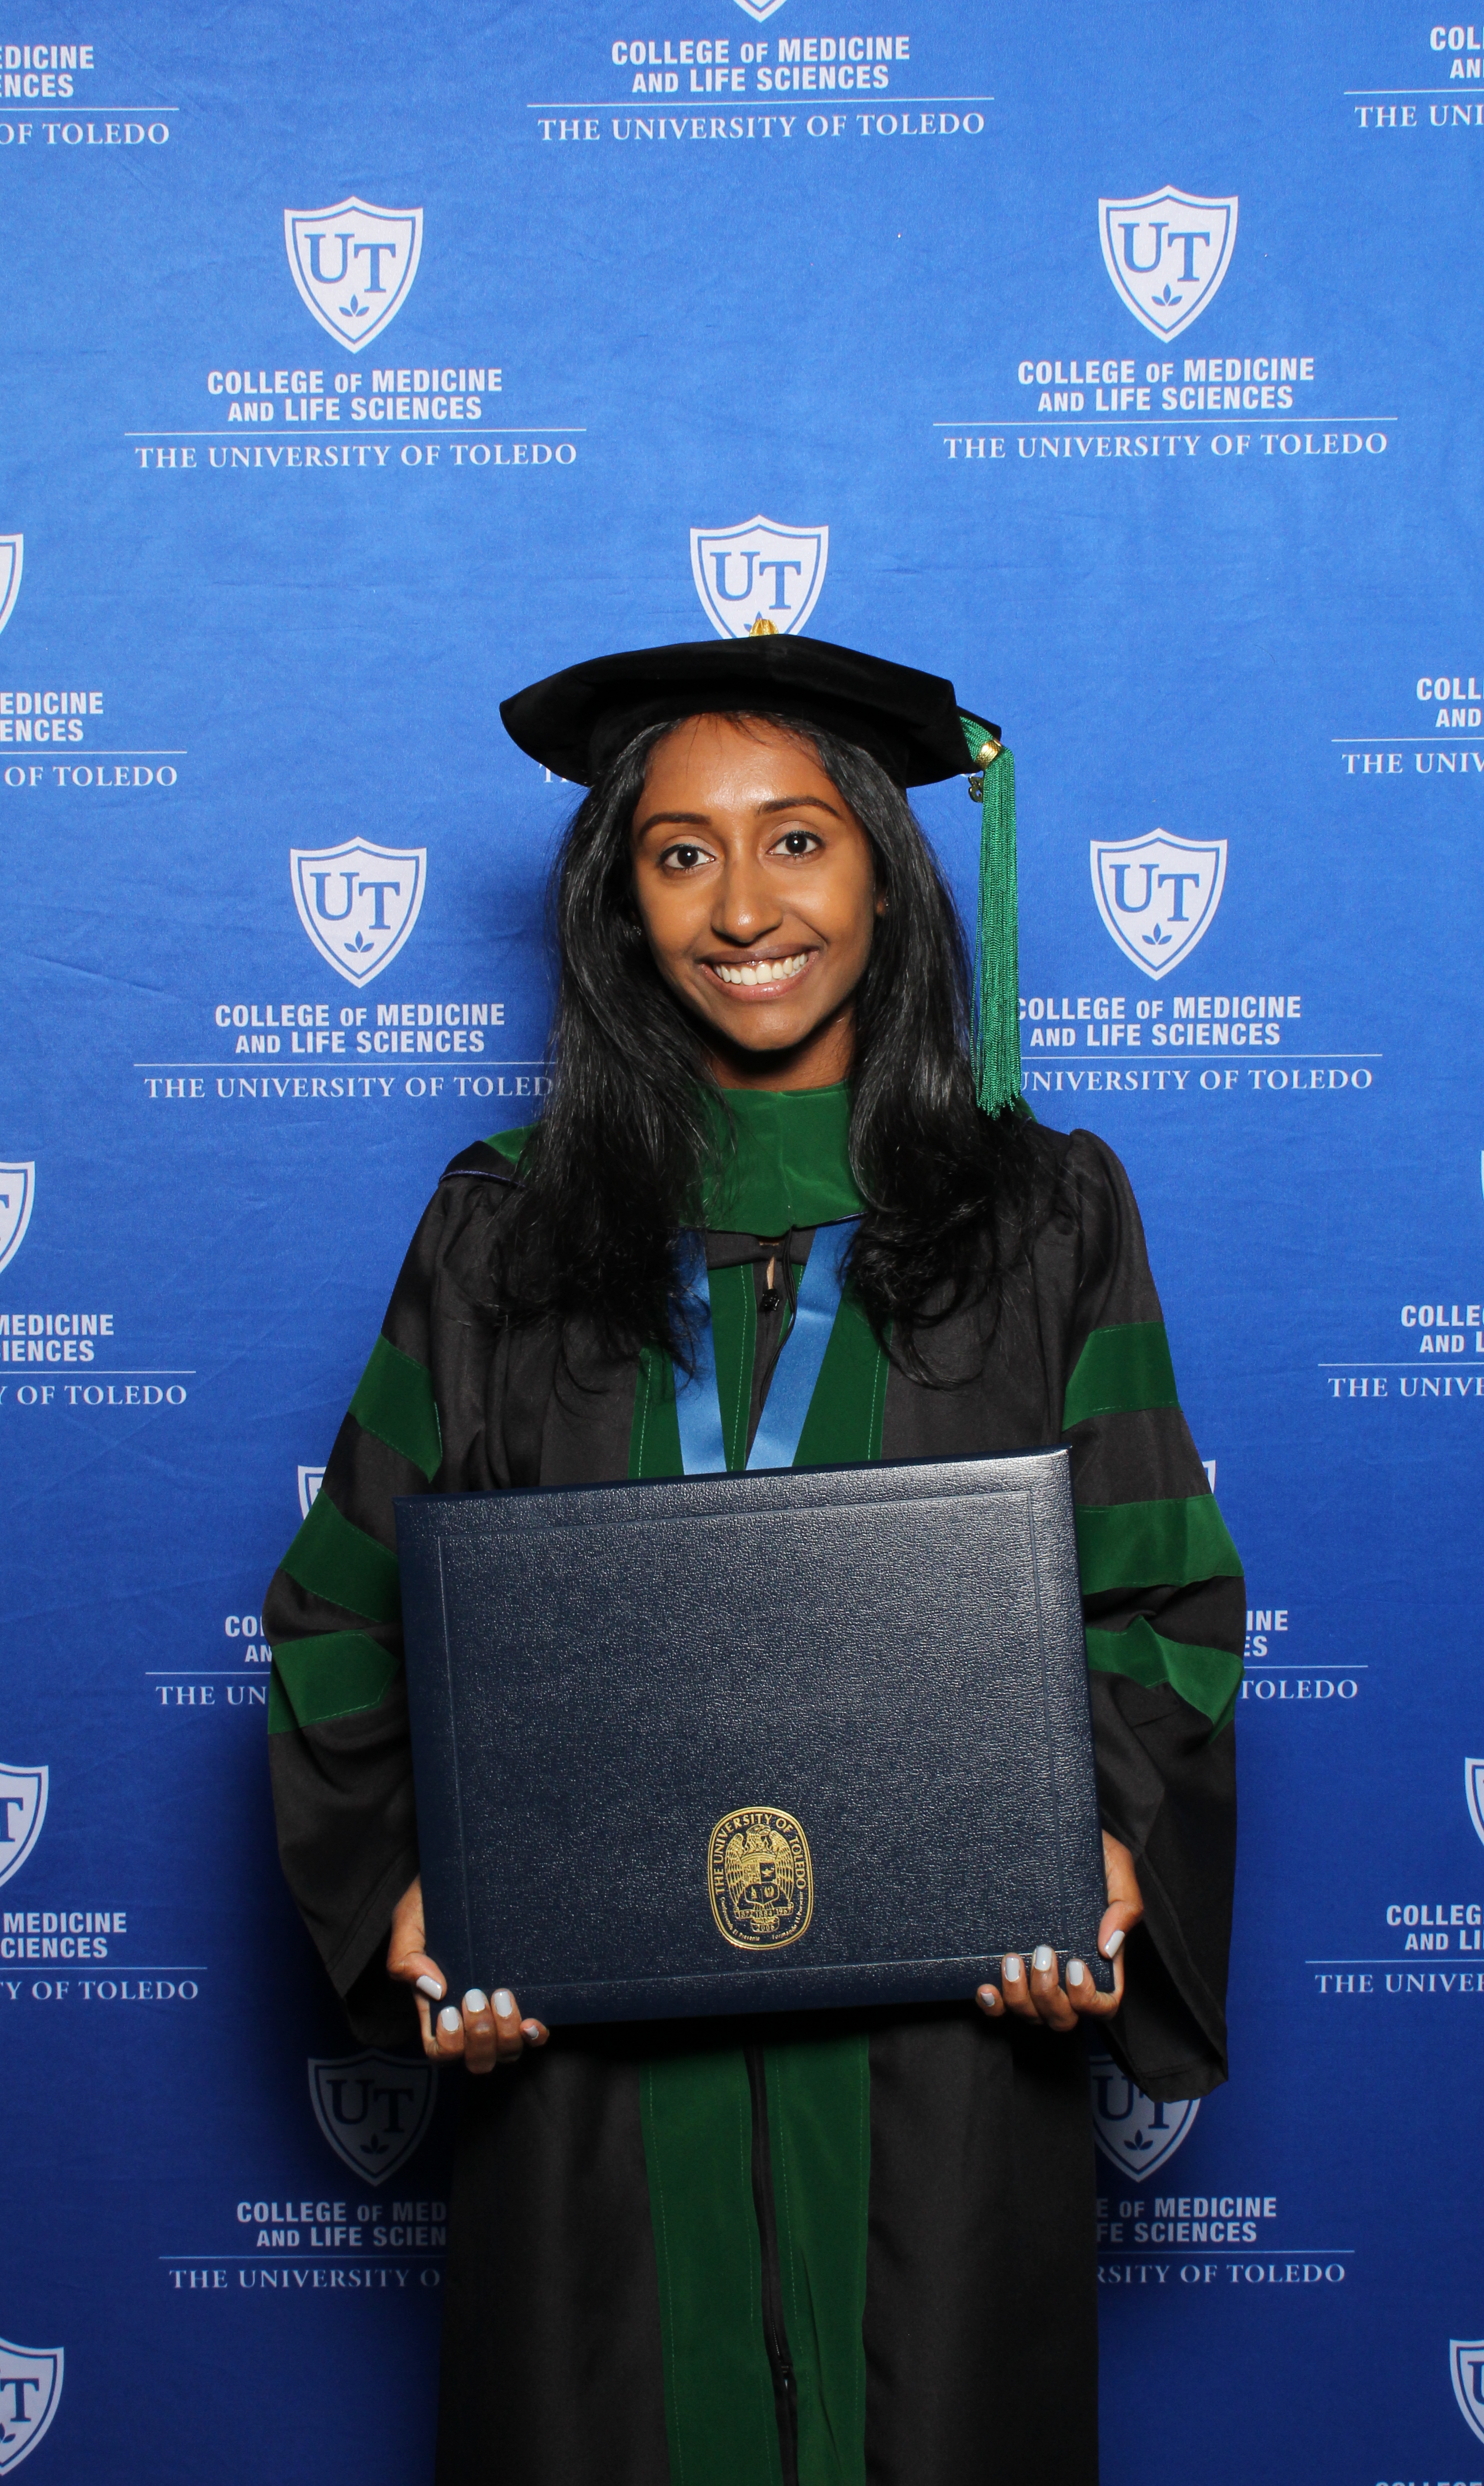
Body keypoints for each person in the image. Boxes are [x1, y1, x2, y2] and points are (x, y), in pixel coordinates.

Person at [264, 630, 1242, 2486]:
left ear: (886, 865)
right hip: (583, 2077)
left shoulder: (1042, 1219)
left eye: (797, 839)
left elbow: (1160, 1599)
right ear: (620, 908)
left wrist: (1095, 1854)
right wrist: (409, 1893)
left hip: (945, 2067)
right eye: (679, 852)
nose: (743, 907)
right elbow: (343, 1611)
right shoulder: (502, 1236)